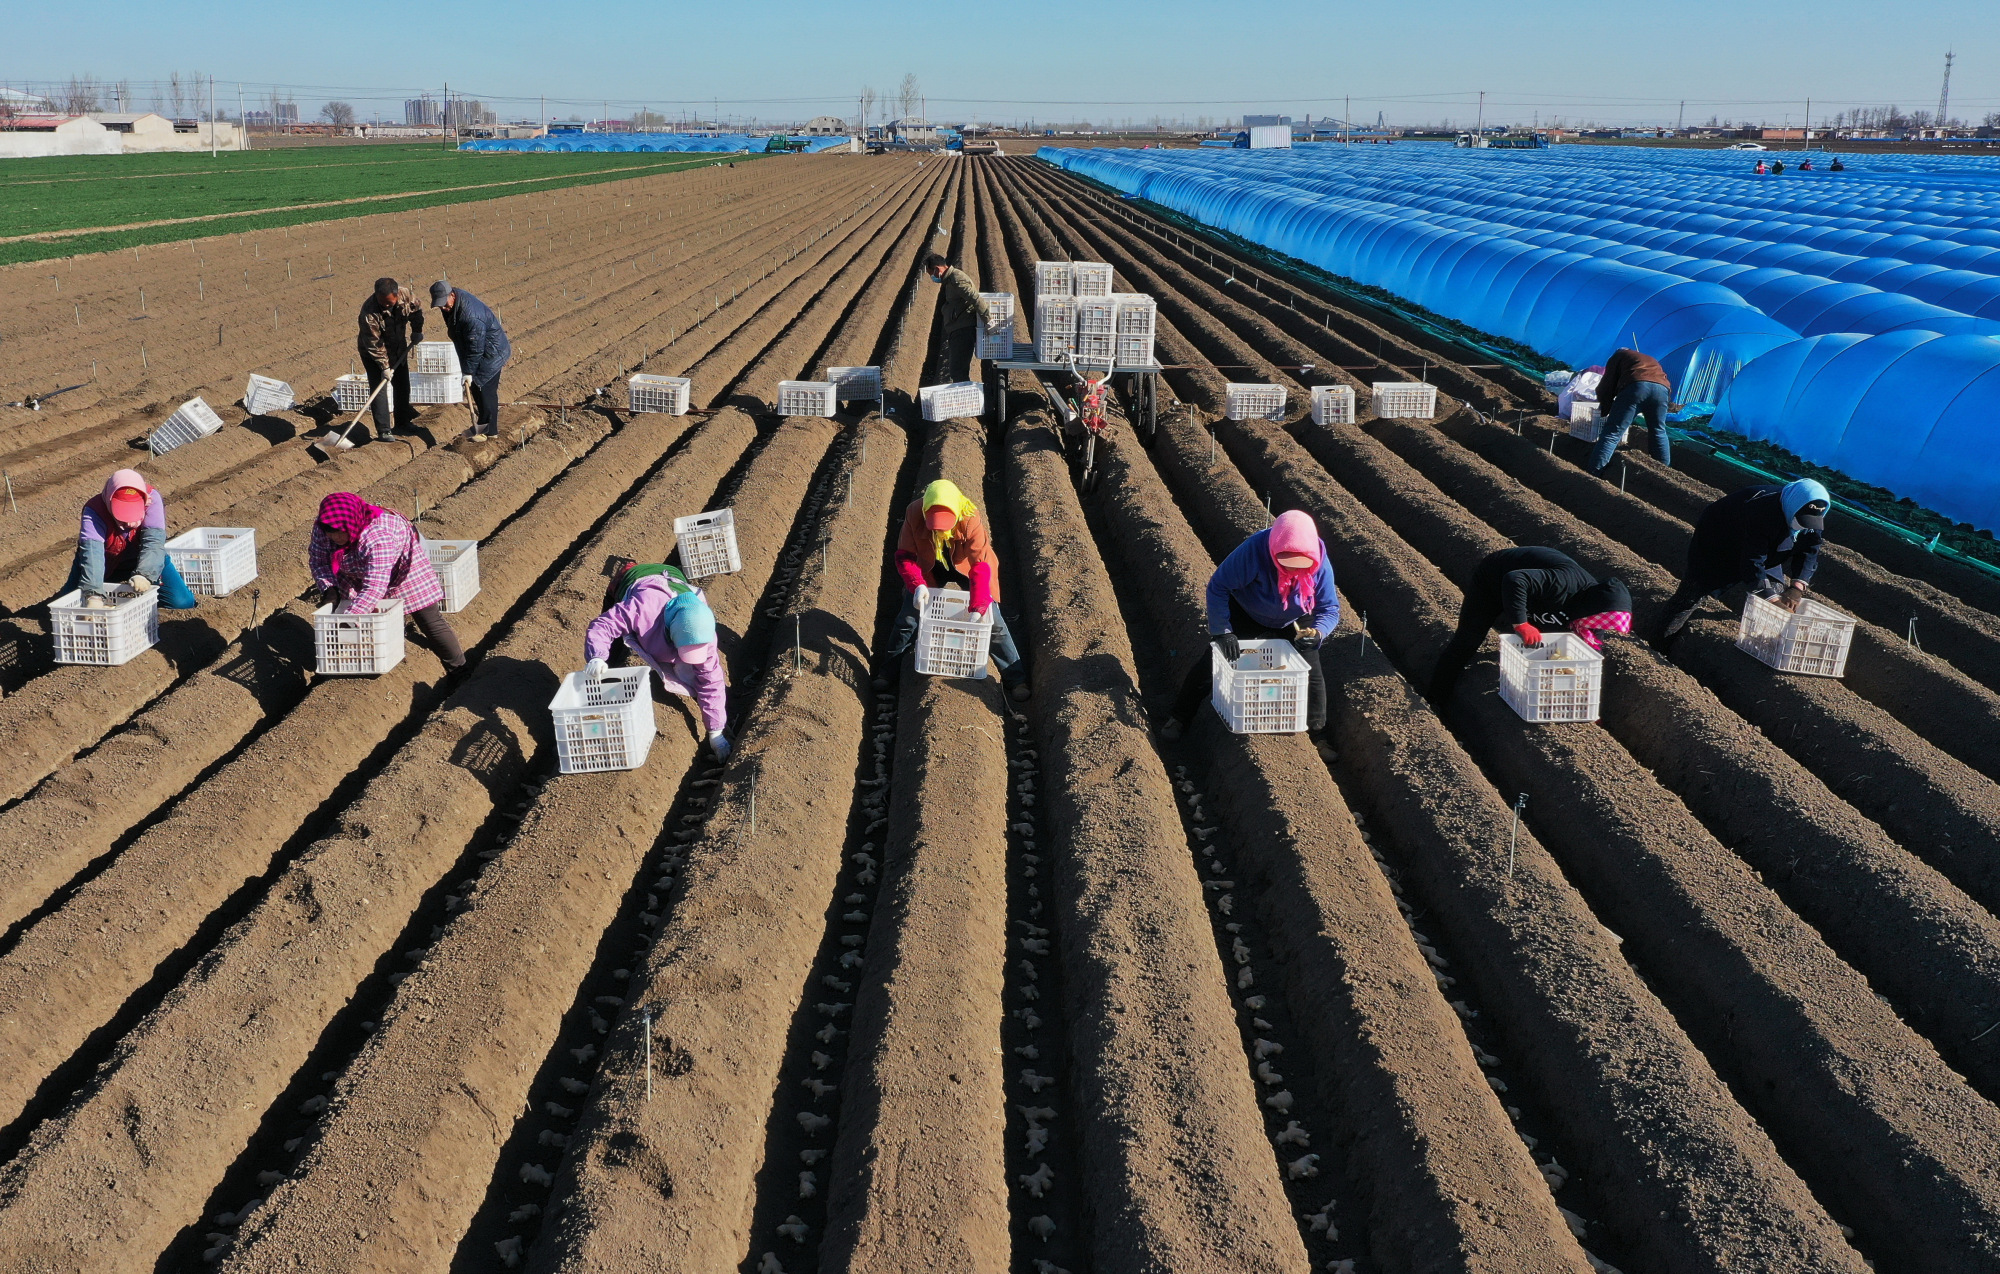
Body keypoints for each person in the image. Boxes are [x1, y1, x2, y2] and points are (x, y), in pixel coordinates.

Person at [1162, 510, 1338, 754]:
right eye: (1285, 564)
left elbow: (1329, 608)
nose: (1293, 571)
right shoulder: (1253, 551)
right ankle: (1179, 717)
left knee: (1311, 674)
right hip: (1248, 611)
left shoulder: (1319, 563)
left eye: (1301, 566)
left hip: (1295, 618)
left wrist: (1317, 633)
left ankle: (1319, 736)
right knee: (1213, 663)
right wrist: (1223, 632)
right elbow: (1218, 587)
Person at [873, 478, 1028, 700]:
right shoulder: (914, 513)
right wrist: (917, 586)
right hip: (930, 564)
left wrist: (979, 603)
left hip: (965, 564)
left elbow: (980, 566)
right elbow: (905, 556)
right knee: (908, 618)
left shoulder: (969, 517)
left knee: (993, 620)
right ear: (925, 513)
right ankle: (887, 673)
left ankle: (1016, 679)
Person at [1427, 547, 1630, 702]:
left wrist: (1589, 702)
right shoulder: (1564, 582)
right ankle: (1436, 699)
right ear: (1593, 608)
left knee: (1549, 648)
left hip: (1537, 599)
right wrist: (1521, 623)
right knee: (1468, 640)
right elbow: (1515, 580)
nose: (1598, 626)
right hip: (1495, 579)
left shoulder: (1592, 615)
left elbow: (1593, 656)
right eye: (1600, 620)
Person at [1655, 479, 1830, 648]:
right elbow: (1752, 561)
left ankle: (1765, 648)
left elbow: (1810, 549)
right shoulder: (1761, 511)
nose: (1804, 526)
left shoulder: (1810, 515)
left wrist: (1797, 586)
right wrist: (1771, 598)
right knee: (1691, 595)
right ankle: (1658, 643)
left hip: (1767, 546)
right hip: (1720, 541)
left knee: (1775, 591)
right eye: (1801, 519)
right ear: (1793, 506)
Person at [585, 561, 731, 759]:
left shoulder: (703, 632)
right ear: (670, 632)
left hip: (673, 576)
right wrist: (597, 657)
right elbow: (602, 626)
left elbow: (711, 681)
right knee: (613, 649)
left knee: (696, 676)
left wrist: (716, 732)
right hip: (634, 579)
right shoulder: (642, 609)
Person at [309, 491, 465, 668]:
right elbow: (318, 560)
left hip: (404, 567)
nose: (334, 538)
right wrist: (329, 588)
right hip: (357, 568)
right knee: (370, 617)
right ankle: (369, 659)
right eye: (330, 533)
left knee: (429, 620)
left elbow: (375, 586)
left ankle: (458, 668)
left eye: (338, 533)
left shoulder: (378, 537)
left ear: (350, 525)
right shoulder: (324, 528)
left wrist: (349, 619)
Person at [64, 468, 199, 610]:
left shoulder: (152, 499)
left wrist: (144, 574)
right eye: (122, 516)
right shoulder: (94, 511)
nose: (129, 524)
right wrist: (93, 596)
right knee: (68, 604)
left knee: (181, 602)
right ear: (110, 503)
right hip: (105, 564)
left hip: (142, 558)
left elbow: (153, 543)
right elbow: (93, 555)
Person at [430, 281, 512, 439]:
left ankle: (488, 432)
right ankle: (483, 427)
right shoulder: (452, 304)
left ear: (452, 295)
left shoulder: (471, 315)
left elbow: (475, 348)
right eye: (439, 305)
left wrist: (468, 372)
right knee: (477, 389)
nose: (443, 308)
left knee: (484, 390)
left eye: (444, 304)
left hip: (490, 354)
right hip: (479, 350)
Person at [1585, 347, 1673, 476]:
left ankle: (1594, 471)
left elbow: (1606, 386)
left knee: (1612, 432)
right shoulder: (1648, 359)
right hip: (1662, 390)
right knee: (1658, 430)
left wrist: (1604, 410)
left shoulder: (1618, 356)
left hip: (1637, 386)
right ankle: (1664, 473)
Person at [356, 277, 423, 442]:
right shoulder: (368, 313)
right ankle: (384, 430)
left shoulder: (406, 295)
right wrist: (384, 367)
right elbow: (374, 344)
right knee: (380, 389)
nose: (386, 305)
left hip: (398, 347)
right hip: (373, 353)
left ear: (396, 294)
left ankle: (402, 422)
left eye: (389, 303)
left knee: (403, 385)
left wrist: (417, 330)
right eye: (382, 302)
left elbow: (416, 311)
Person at [923, 252, 991, 386]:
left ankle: (968, 401)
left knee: (958, 370)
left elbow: (975, 298)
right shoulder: (950, 280)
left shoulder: (956, 278)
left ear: (937, 269)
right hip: (958, 327)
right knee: (957, 370)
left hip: (963, 329)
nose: (932, 277)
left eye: (931, 274)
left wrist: (988, 320)